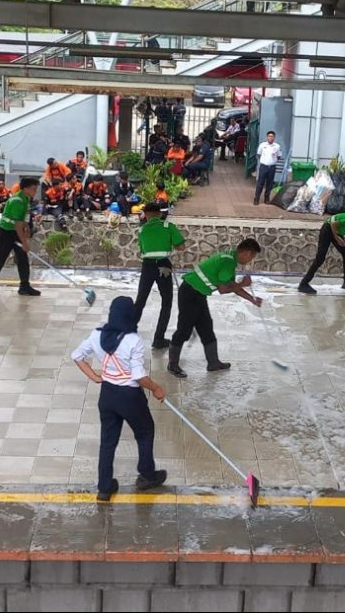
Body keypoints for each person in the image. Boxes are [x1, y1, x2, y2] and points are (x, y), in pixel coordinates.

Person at [72, 296, 168, 502]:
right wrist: (156, 388)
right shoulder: (133, 341)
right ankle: (147, 475)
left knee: (107, 441)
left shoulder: (97, 335)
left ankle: (105, 488)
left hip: (107, 395)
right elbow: (138, 376)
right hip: (130, 397)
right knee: (145, 432)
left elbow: (77, 356)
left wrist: (96, 377)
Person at [168, 238, 263, 379]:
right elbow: (224, 289)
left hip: (198, 293)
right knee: (184, 330)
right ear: (247, 253)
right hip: (191, 293)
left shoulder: (230, 256)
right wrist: (243, 284)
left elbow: (231, 285)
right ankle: (172, 365)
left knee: (206, 327)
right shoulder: (227, 262)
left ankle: (213, 363)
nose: (250, 260)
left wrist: (252, 299)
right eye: (252, 256)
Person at [134, 203, 185, 350]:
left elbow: (142, 249)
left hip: (148, 266)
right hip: (164, 266)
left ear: (147, 215)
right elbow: (181, 246)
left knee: (140, 300)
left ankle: (128, 333)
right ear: (159, 213)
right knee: (166, 302)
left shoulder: (142, 229)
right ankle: (158, 339)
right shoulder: (168, 227)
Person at [0, 177, 41, 296]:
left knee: (23, 259)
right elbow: (17, 224)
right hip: (6, 233)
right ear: (25, 188)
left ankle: (24, 287)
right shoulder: (17, 200)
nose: (35, 192)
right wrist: (24, 243)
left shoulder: (26, 198)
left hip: (15, 232)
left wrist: (27, 229)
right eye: (33, 189)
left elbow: (24, 218)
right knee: (1, 257)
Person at [254, 131, 281, 205]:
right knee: (260, 183)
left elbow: (279, 156)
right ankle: (256, 198)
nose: (271, 138)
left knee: (269, 184)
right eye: (269, 136)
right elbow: (258, 155)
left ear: (274, 138)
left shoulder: (277, 146)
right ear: (267, 137)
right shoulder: (262, 145)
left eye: (272, 136)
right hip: (263, 166)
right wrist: (264, 161)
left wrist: (273, 161)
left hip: (272, 167)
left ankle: (267, 198)